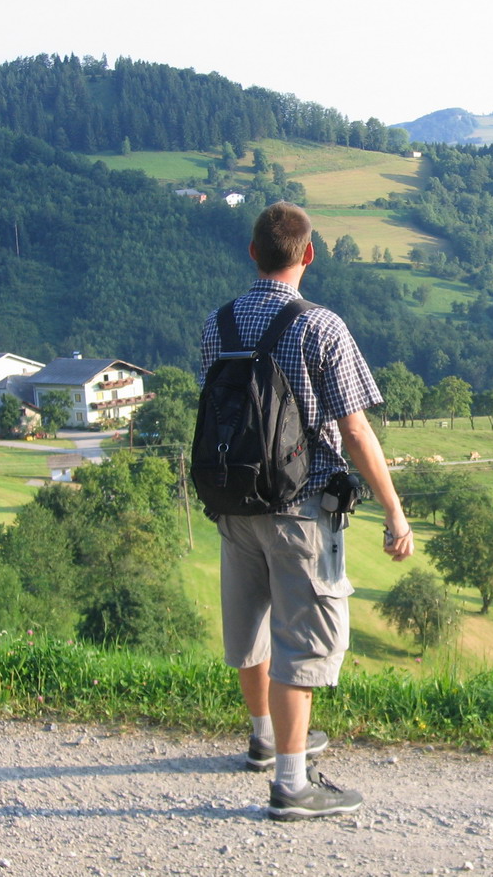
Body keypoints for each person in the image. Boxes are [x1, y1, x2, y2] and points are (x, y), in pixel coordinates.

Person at [199, 201, 413, 821]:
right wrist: (395, 512)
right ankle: (292, 784)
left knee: (252, 627)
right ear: (309, 254)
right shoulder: (321, 327)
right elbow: (355, 430)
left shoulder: (218, 325)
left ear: (253, 253)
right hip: (300, 509)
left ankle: (265, 739)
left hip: (234, 504)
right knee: (303, 643)